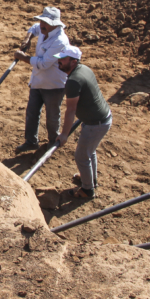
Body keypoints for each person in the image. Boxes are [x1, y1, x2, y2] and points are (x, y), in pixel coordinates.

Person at [54, 47, 112, 200]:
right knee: (89, 152)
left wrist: (64, 134)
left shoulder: (73, 81)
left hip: (95, 123)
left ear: (73, 62)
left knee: (81, 156)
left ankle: (87, 190)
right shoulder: (84, 69)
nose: (59, 61)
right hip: (101, 118)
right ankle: (90, 179)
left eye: (63, 59)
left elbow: (71, 110)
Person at [13, 6, 71, 153]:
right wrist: (27, 39)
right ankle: (31, 141)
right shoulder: (45, 29)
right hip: (38, 81)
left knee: (52, 116)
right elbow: (34, 28)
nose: (41, 25)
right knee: (32, 112)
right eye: (41, 22)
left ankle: (52, 142)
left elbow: (43, 63)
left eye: (45, 23)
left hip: (54, 84)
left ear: (56, 24)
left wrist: (22, 57)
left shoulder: (60, 41)